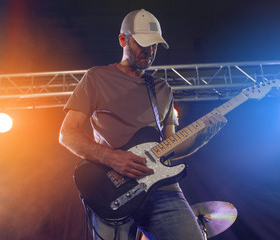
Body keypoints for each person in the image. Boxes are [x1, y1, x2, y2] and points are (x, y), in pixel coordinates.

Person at [59, 9, 227, 240]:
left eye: (154, 45)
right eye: (143, 43)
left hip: (162, 190)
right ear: (122, 39)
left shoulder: (162, 89)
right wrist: (111, 157)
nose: (149, 51)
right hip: (112, 188)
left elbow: (171, 147)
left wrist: (203, 136)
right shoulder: (96, 78)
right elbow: (67, 134)